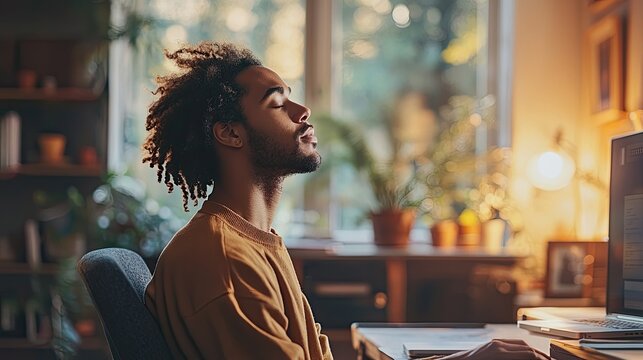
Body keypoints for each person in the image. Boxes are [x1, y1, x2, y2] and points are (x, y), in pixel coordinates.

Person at [142, 41, 547, 360]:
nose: (303, 111)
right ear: (231, 134)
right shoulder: (226, 262)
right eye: (277, 103)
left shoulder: (254, 241)